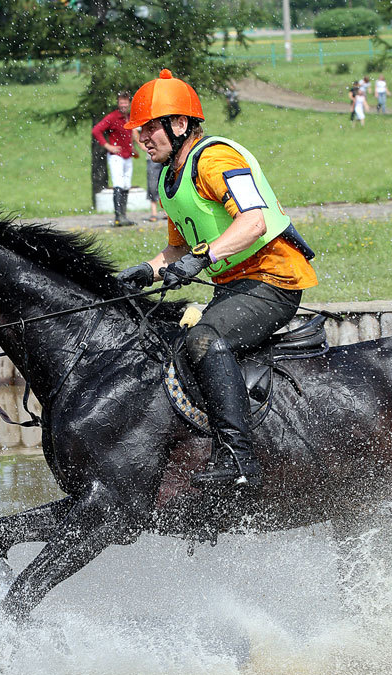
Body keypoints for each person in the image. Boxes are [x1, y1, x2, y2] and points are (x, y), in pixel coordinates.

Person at [117, 69, 318, 488]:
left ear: (180, 124)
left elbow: (253, 222)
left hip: (272, 280)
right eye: (139, 130)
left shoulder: (214, 159)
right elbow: (177, 248)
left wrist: (201, 258)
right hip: (236, 286)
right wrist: (146, 269)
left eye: (150, 128)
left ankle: (238, 458)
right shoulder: (171, 181)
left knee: (203, 338)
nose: (141, 138)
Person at [92, 91, 139, 227]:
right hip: (116, 156)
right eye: (121, 102)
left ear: (129, 103)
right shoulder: (112, 117)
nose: (124, 105)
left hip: (127, 155)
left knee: (126, 185)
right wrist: (107, 146)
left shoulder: (129, 118)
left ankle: (123, 215)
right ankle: (118, 216)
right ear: (118, 103)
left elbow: (130, 135)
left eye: (126, 102)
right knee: (118, 184)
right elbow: (96, 130)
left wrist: (133, 148)